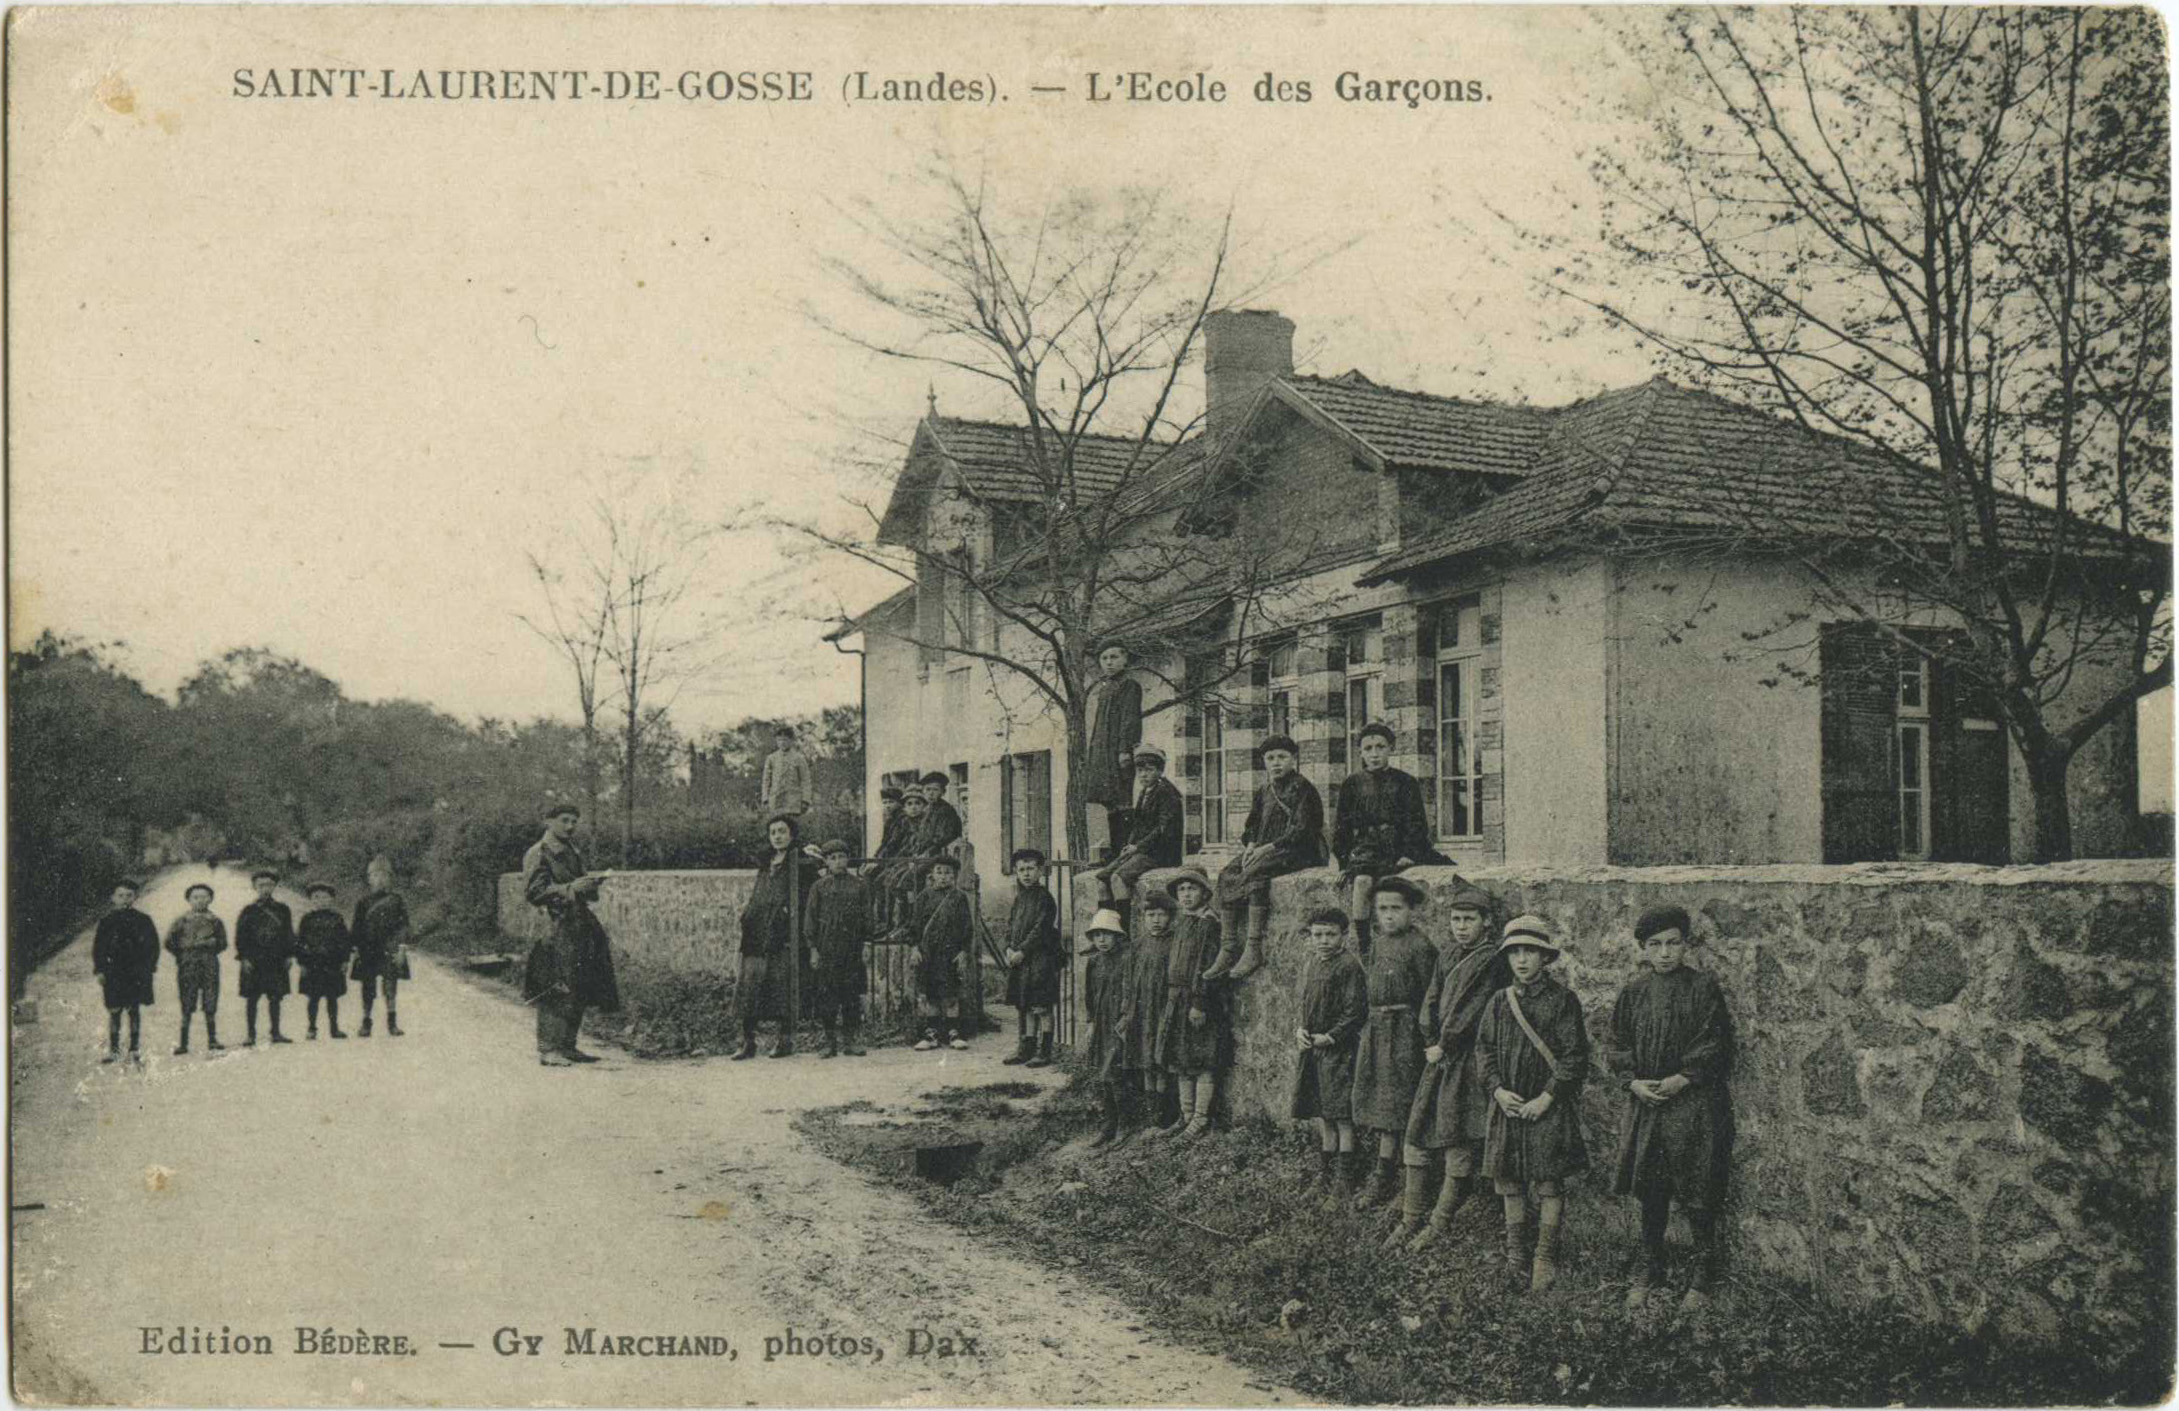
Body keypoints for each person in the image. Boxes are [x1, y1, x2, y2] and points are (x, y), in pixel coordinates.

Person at [1607, 904, 1735, 1311]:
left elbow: (1717, 1042)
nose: (1665, 953)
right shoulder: (1634, 993)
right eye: (1655, 945)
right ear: (1643, 950)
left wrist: (1684, 1077)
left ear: (1685, 946)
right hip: (1649, 1103)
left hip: (1692, 1104)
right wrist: (1631, 1081)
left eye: (1673, 944)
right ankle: (1651, 1262)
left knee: (1697, 1184)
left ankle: (1703, 1268)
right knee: (1651, 1184)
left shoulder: (1702, 989)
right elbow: (1616, 1045)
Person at [1476, 914, 1589, 1294]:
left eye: (1531, 952)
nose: (1522, 960)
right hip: (1508, 1105)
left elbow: (1575, 1056)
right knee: (1509, 1181)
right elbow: (1485, 1051)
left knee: (1548, 1180)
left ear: (1545, 957)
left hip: (1546, 1106)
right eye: (1515, 953)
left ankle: (1544, 1256)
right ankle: (1516, 1257)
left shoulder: (1562, 1001)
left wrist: (1547, 1097)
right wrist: (1496, 1090)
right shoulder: (1497, 1002)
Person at [1399, 882, 1508, 1251]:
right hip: (1438, 1057)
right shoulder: (1447, 954)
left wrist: (1445, 1043)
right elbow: (1431, 998)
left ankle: (1439, 1222)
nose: (1461, 926)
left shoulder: (1492, 960)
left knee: (1456, 1138)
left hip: (1465, 1059)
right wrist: (1430, 1039)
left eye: (1469, 919)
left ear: (1487, 922)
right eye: (1456, 919)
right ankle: (1409, 1217)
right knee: (1416, 1133)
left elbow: (1472, 1010)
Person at [1346, 876, 1439, 1216]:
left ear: (1411, 911)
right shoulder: (1377, 943)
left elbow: (1431, 996)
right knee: (1382, 1101)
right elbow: (1359, 927)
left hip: (1406, 1034)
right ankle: (1382, 1173)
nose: (1388, 916)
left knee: (1405, 1101)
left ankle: (1409, 1179)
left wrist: (1426, 1038)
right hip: (1377, 1031)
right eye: (1382, 909)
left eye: (1396, 909)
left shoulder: (1420, 947)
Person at [1210, 734, 1325, 982]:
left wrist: (1268, 848)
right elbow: (1252, 823)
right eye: (1270, 758)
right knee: (1229, 872)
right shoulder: (1264, 790)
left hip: (1298, 851)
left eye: (1282, 757)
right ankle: (1228, 946)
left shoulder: (1302, 788)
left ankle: (1253, 947)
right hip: (1266, 849)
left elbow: (1303, 829)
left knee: (1255, 871)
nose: (1276, 763)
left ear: (1293, 759)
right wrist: (1251, 844)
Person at [1332, 722, 1453, 954]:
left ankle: (1395, 938)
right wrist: (1344, 861)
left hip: (1397, 845)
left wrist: (1409, 853)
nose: (1374, 754)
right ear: (1360, 752)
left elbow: (1417, 823)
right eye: (1368, 749)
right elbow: (1341, 827)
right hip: (1366, 847)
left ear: (1391, 749)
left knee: (1393, 885)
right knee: (1362, 881)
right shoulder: (1352, 784)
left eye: (1380, 747)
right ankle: (1364, 943)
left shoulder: (1405, 782)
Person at [521, 804, 621, 1066]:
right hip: (554, 926)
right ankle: (548, 1049)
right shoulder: (539, 853)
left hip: (577, 924)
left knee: (579, 983)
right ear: (549, 821)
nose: (570, 826)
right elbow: (534, 893)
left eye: (574, 821)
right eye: (564, 820)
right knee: (555, 984)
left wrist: (589, 884)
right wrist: (571, 888)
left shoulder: (571, 851)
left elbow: (576, 887)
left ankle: (567, 1045)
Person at [1288, 906, 1367, 1195]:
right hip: (1314, 1051)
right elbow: (1306, 1003)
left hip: (1339, 1053)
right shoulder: (1313, 964)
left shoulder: (1348, 966)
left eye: (1330, 935)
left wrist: (1332, 1037)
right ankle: (1324, 1173)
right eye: (1317, 935)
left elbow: (1355, 1011)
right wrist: (1301, 1029)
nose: (1323, 940)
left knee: (1342, 1115)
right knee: (1325, 1114)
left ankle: (1344, 1179)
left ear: (1344, 936)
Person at [735, 814, 821, 1061]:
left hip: (782, 935)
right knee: (749, 988)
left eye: (782, 831)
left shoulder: (801, 863)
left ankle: (785, 1040)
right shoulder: (766, 862)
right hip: (756, 933)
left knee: (783, 989)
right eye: (773, 832)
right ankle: (747, 1042)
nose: (777, 837)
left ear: (792, 835)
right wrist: (748, 916)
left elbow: (810, 896)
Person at [1152, 867, 1229, 1140]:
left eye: (1192, 889)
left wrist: (1199, 1002)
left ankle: (1200, 1118)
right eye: (1181, 890)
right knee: (1182, 1060)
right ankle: (1184, 1117)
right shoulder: (1183, 922)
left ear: (1205, 893)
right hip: (1177, 999)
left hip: (1198, 1000)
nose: (1186, 895)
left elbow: (1207, 966)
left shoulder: (1209, 923)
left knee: (1203, 1060)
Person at [1090, 744, 1184, 934]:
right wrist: (1130, 845)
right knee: (1101, 879)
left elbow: (1163, 830)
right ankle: (1106, 927)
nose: (1143, 775)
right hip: (1143, 850)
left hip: (1161, 853)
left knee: (1118, 878)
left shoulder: (1167, 793)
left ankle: (1123, 931)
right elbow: (1138, 825)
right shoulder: (1145, 792)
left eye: (1149, 770)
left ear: (1159, 771)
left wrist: (1138, 847)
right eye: (1140, 770)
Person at [805, 839, 872, 1059]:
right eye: (832, 858)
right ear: (826, 861)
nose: (838, 861)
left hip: (852, 947)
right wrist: (813, 949)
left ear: (847, 858)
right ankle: (829, 1041)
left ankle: (851, 1041)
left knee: (851, 995)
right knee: (827, 997)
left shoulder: (859, 885)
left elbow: (867, 917)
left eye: (841, 856)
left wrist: (866, 944)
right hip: (827, 947)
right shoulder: (819, 886)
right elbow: (811, 919)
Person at [1000, 848, 1064, 1068]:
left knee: (1041, 1006)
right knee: (1025, 1004)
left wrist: (1022, 951)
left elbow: (1041, 929)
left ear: (1040, 871)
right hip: (1021, 959)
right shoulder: (1020, 898)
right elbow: (1011, 925)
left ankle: (1045, 1051)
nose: (1026, 874)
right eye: (1021, 870)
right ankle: (1026, 1048)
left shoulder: (1045, 898)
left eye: (1031, 869)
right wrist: (1008, 947)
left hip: (1040, 959)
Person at [1080, 642, 1143, 857]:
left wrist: (1125, 749)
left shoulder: (1129, 685)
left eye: (1114, 657)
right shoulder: (1105, 688)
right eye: (1105, 658)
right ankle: (1115, 849)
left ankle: (1123, 847)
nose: (1109, 662)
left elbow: (1130, 720)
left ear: (1125, 659)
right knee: (1108, 801)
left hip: (1117, 753)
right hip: (1102, 753)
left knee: (1122, 799)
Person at [1081, 908, 1137, 1149]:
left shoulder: (1127, 959)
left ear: (1117, 936)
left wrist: (1125, 1018)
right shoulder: (1094, 962)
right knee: (1103, 1076)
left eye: (1107, 934)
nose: (1101, 940)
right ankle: (1109, 1124)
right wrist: (1091, 1022)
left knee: (1115, 1074)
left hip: (1119, 1023)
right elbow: (1090, 995)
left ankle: (1125, 1125)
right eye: (1097, 935)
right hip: (1102, 1023)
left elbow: (1132, 992)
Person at [907, 855, 973, 1051]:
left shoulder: (959, 898)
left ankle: (954, 1033)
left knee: (951, 994)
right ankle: (931, 1034)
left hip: (950, 952)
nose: (943, 877)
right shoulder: (924, 897)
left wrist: (963, 951)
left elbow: (966, 927)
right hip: (928, 953)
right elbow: (914, 926)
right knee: (930, 994)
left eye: (948, 873)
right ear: (932, 875)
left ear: (954, 876)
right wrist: (914, 948)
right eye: (939, 872)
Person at [91, 878, 159, 1064]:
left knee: (133, 1009)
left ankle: (134, 1048)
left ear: (135, 897)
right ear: (113, 898)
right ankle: (113, 1049)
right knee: (114, 1010)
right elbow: (99, 948)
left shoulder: (143, 920)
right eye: (120, 895)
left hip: (135, 972)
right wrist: (100, 970)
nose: (125, 899)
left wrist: (149, 967)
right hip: (114, 972)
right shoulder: (106, 922)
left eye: (129, 895)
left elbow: (153, 946)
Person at [1130, 890, 1180, 1133]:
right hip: (1143, 1011)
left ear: (1170, 918)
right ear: (1144, 918)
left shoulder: (1175, 942)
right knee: (1146, 1059)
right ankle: (1151, 1111)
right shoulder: (1139, 944)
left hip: (1164, 1010)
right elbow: (1131, 979)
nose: (1156, 920)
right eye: (1151, 915)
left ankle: (1165, 1113)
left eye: (1161, 915)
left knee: (1162, 1060)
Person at [164, 882, 228, 1055]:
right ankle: (183, 1043)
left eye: (204, 897)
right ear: (188, 900)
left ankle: (212, 1040)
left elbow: (223, 943)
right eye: (196, 897)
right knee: (187, 1001)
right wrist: (184, 954)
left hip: (209, 964)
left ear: (211, 899)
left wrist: (210, 945)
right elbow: (169, 942)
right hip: (188, 965)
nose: (200, 901)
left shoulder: (215, 921)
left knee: (210, 1000)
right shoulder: (181, 921)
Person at [349, 856, 410, 1038]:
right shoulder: (363, 902)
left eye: (385, 875)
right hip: (368, 949)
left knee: (391, 986)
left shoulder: (397, 900)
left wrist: (401, 949)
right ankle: (366, 1023)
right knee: (368, 987)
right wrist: (356, 950)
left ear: (390, 879)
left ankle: (392, 1023)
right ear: (369, 879)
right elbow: (357, 927)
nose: (380, 879)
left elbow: (404, 926)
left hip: (390, 948)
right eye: (376, 875)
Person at [234, 869, 295, 1046]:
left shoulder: (283, 910)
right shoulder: (248, 910)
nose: (265, 888)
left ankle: (276, 1032)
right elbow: (240, 936)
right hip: (254, 960)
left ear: (275, 886)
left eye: (269, 885)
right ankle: (250, 1034)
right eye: (261, 885)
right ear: (255, 887)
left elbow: (289, 934)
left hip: (275, 959)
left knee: (275, 997)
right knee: (252, 998)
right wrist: (244, 958)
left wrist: (289, 955)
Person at [294, 882, 352, 1040]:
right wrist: (302, 962)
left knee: (332, 997)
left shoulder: (337, 918)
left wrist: (345, 960)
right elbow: (299, 942)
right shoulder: (306, 919)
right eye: (316, 897)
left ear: (331, 900)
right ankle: (312, 1028)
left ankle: (334, 1028)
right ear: (311, 900)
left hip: (332, 963)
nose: (321, 901)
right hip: (313, 963)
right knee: (313, 997)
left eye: (325, 897)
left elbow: (345, 941)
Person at [760, 725, 814, 820]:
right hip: (776, 802)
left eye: (785, 740)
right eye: (779, 740)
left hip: (793, 803)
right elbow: (766, 780)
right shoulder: (771, 758)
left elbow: (805, 780)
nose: (782, 743)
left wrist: (805, 800)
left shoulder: (799, 758)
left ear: (791, 741)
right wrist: (765, 799)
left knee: (792, 828)